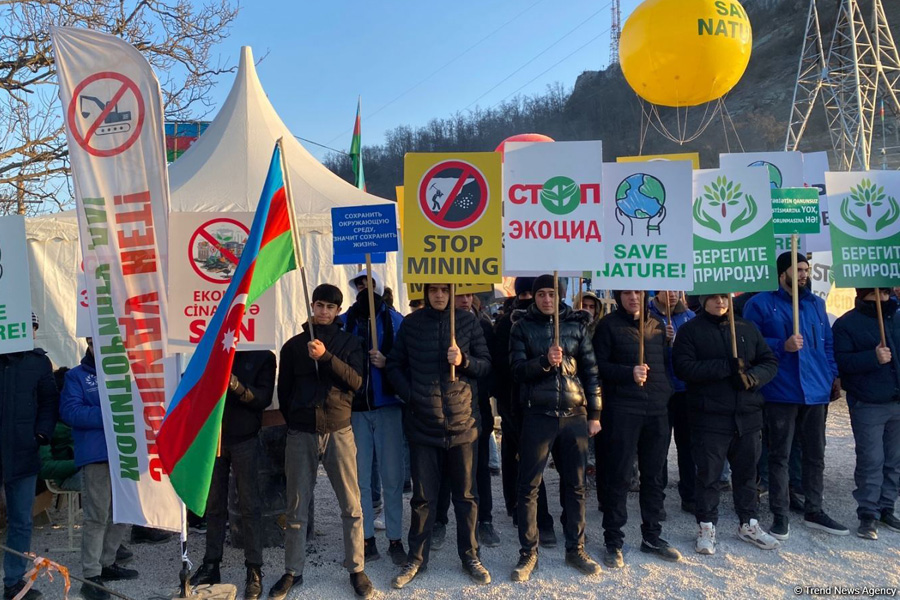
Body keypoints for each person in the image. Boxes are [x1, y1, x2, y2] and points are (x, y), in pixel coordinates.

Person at [270, 284, 374, 599]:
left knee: (351, 505)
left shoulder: (350, 342)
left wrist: (326, 357)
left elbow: (356, 382)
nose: (324, 312)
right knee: (297, 506)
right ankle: (293, 570)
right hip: (301, 433)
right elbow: (284, 392)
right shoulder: (292, 346)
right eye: (319, 305)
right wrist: (297, 420)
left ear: (338, 311)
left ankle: (357, 568)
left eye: (331, 307)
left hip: (339, 430)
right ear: (311, 306)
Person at [385, 283, 492, 589]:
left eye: (445, 290)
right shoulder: (412, 324)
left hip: (463, 425)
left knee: (467, 497)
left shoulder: (469, 322)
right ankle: (416, 558)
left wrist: (465, 362)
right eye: (434, 290)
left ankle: (470, 556)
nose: (440, 295)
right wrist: (412, 396)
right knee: (423, 499)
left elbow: (486, 367)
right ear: (426, 292)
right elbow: (394, 365)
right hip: (424, 425)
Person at [743, 252, 848, 540]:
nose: (804, 274)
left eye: (806, 269)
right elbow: (749, 342)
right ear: (781, 273)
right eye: (798, 270)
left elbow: (827, 344)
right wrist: (781, 345)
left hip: (815, 391)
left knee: (815, 454)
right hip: (780, 390)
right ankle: (781, 514)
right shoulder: (760, 304)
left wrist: (830, 374)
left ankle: (815, 509)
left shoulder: (816, 304)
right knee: (780, 454)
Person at [508, 275, 602, 582]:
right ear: (533, 297)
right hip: (539, 414)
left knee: (576, 485)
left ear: (560, 296)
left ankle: (576, 548)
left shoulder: (576, 326)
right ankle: (528, 551)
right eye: (542, 294)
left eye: (552, 294)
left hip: (575, 414)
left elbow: (590, 370)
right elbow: (517, 371)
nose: (547, 299)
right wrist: (544, 362)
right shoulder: (521, 327)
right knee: (529, 486)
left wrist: (595, 412)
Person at [673, 294, 781, 555]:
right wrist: (724, 367)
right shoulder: (690, 330)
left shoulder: (746, 327)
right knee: (709, 475)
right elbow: (683, 368)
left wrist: (752, 378)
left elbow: (769, 362)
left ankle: (749, 523)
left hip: (747, 415)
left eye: (724, 297)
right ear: (705, 299)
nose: (720, 301)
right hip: (709, 416)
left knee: (746, 474)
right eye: (715, 297)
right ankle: (707, 526)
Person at [593, 290, 681, 568]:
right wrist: (627, 372)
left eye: (638, 292)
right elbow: (598, 367)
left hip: (656, 410)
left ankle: (652, 535)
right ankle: (614, 540)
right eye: (627, 293)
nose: (633, 297)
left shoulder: (657, 324)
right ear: (619, 296)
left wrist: (671, 342)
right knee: (617, 477)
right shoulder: (608, 326)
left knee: (654, 476)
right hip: (622, 411)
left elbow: (669, 364)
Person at [190, 350, 275, 599]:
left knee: (250, 506)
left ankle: (254, 569)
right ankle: (211, 564)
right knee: (214, 505)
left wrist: (235, 384)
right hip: (214, 437)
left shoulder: (263, 355)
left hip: (245, 439)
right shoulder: (212, 351)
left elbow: (263, 398)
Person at [60, 338, 138, 600]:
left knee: (122, 512)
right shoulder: (76, 376)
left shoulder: (125, 372)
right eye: (94, 343)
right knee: (96, 514)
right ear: (88, 344)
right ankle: (90, 576)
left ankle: (107, 562)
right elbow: (70, 412)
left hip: (125, 452)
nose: (100, 348)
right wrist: (110, 413)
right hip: (96, 455)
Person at [343, 270, 407, 565]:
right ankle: (366, 538)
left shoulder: (395, 321)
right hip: (357, 408)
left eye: (368, 284)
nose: (363, 288)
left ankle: (395, 537)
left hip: (388, 406)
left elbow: (407, 360)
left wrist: (387, 362)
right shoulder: (348, 321)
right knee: (360, 478)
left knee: (392, 477)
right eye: (358, 284)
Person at [490, 279, 557, 546]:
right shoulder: (509, 323)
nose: (531, 298)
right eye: (527, 293)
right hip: (516, 401)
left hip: (551, 401)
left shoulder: (558, 322)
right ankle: (526, 511)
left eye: (536, 293)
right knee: (521, 459)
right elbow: (503, 364)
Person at [832, 288, 900, 539]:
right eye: (879, 294)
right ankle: (868, 514)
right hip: (868, 403)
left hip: (896, 400)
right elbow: (842, 363)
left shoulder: (897, 317)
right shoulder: (846, 324)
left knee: (894, 460)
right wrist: (873, 357)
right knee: (872, 460)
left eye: (887, 292)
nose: (884, 298)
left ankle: (886, 507)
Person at [0, 315, 57, 600]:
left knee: (21, 520)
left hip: (23, 454)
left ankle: (14, 583)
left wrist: (41, 434)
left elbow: (49, 401)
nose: (30, 333)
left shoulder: (37, 362)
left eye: (33, 328)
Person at [648, 290, 697, 514]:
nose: (672, 295)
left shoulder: (689, 317)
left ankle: (690, 495)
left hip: (685, 389)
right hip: (660, 389)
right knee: (659, 446)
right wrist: (662, 340)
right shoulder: (648, 317)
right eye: (666, 290)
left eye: (677, 290)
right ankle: (656, 499)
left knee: (688, 446)